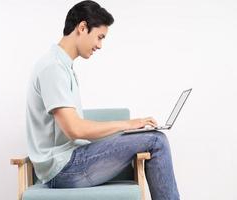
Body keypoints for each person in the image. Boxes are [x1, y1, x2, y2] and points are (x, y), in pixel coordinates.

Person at [26, 1, 180, 199]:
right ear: (82, 28)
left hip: (70, 160)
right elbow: (76, 130)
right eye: (99, 37)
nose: (100, 45)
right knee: (156, 140)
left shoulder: (63, 67)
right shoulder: (53, 68)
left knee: (152, 137)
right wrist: (127, 124)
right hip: (63, 169)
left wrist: (128, 131)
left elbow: (77, 131)